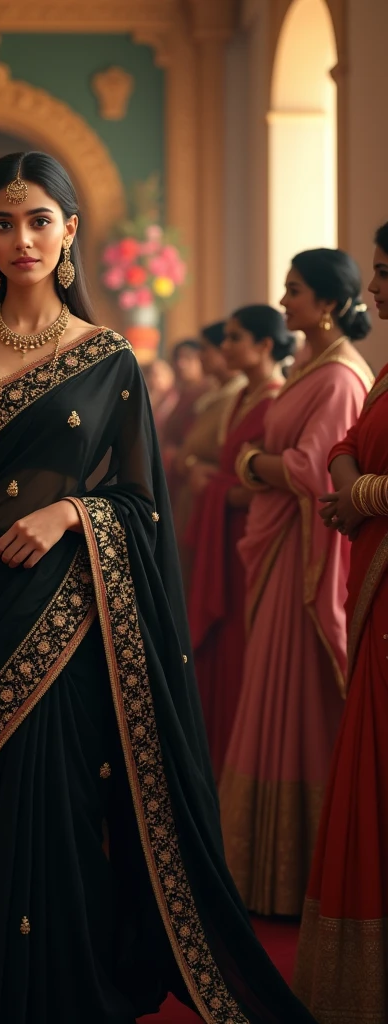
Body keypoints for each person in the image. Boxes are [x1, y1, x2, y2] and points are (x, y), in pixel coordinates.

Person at [0, 151, 316, 1024]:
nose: (23, 239)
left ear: (71, 230)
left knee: (62, 806)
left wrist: (70, 518)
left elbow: (142, 504)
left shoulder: (108, 357)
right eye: (4, 222)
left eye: (40, 220)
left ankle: (63, 993)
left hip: (72, 611)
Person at [219, 248, 374, 916]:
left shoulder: (339, 378)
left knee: (295, 698)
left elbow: (314, 472)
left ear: (330, 304)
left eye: (294, 292)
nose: (285, 304)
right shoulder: (312, 366)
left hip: (303, 556)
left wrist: (252, 463)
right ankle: (256, 868)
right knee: (267, 690)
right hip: (278, 547)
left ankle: (296, 872)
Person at [294, 223, 388, 1023]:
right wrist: (353, 479)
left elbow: (343, 465)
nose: (377, 289)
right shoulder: (384, 371)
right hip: (373, 585)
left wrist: (357, 496)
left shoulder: (345, 371)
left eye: (387, 273)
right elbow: (346, 449)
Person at [185, 306, 292, 781]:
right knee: (221, 643)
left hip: (247, 536)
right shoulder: (243, 397)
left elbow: (276, 480)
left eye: (234, 337)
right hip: (222, 533)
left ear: (265, 345)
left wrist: (216, 489)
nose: (225, 347)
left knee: (237, 643)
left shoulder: (274, 399)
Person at [170, 321, 245, 579]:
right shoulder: (215, 394)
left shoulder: (237, 397)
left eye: (205, 349)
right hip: (193, 499)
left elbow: (226, 458)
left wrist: (187, 463)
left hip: (213, 505)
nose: (200, 356)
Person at [160, 338, 212, 478]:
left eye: (188, 358)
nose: (181, 364)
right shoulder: (179, 394)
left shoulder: (208, 395)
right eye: (178, 358)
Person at [142, 356, 178, 439]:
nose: (155, 379)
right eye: (151, 375)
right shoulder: (146, 397)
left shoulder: (174, 399)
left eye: (159, 375)